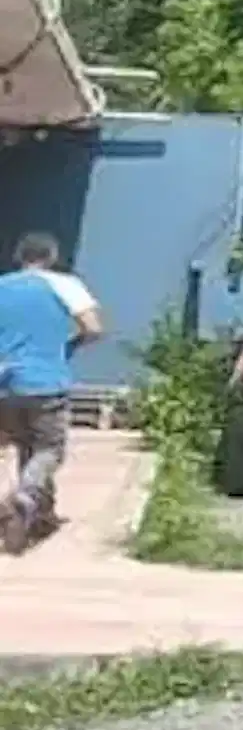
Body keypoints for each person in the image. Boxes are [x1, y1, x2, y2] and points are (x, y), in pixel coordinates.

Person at [0, 232, 104, 555]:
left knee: (23, 445)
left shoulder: (3, 285)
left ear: (19, 256)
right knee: (49, 449)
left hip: (4, 382)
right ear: (52, 256)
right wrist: (67, 347)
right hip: (45, 381)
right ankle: (26, 496)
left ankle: (40, 516)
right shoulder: (64, 285)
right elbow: (93, 328)